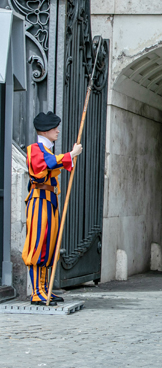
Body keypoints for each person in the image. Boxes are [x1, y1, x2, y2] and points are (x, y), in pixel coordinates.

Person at [22, 111, 82, 306]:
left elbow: (54, 165)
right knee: (37, 245)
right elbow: (44, 166)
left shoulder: (48, 151)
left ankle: (45, 289)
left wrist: (68, 159)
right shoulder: (35, 149)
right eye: (54, 127)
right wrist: (70, 155)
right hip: (39, 201)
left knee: (49, 247)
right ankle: (37, 292)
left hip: (50, 200)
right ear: (45, 130)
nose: (57, 130)